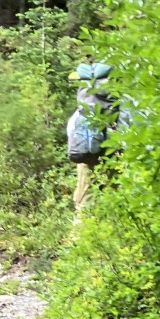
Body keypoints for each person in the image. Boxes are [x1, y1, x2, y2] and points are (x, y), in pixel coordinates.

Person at [67, 60, 114, 220]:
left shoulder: (82, 113)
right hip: (115, 154)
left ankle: (80, 239)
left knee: (86, 198)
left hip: (87, 155)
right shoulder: (116, 109)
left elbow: (71, 133)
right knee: (116, 195)